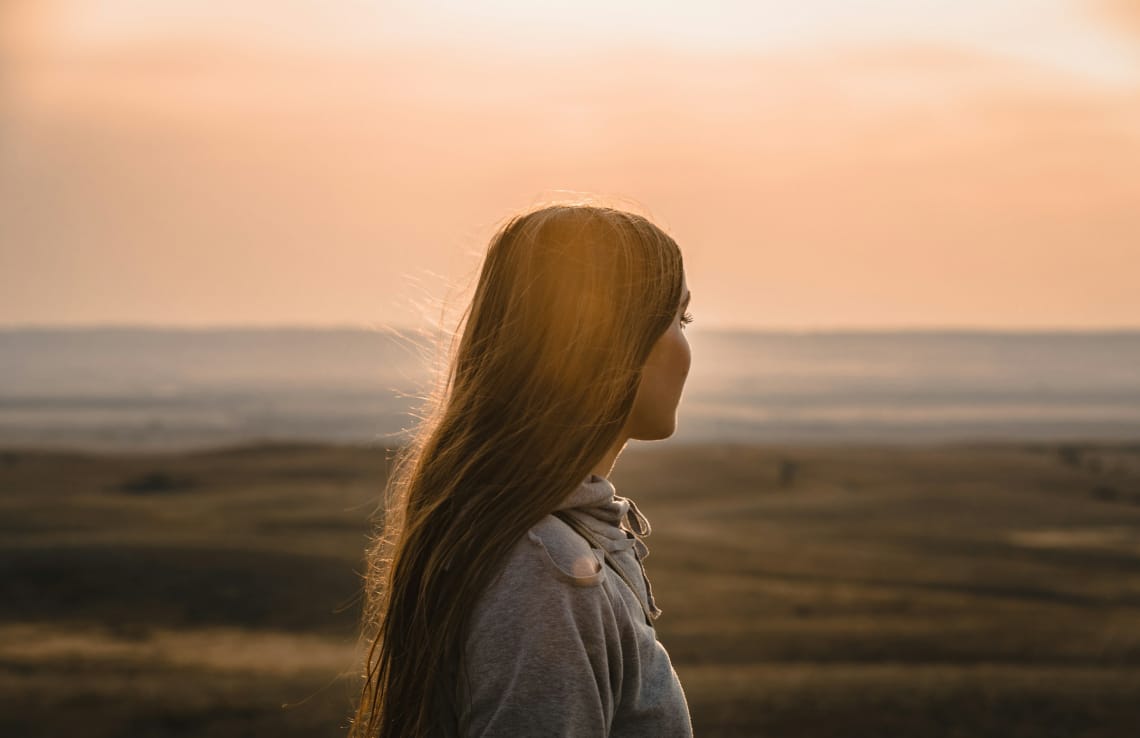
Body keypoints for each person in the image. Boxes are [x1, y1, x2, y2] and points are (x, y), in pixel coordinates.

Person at [350, 203, 695, 737]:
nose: (686, 345)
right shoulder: (550, 574)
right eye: (680, 318)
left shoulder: (549, 546)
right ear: (615, 340)